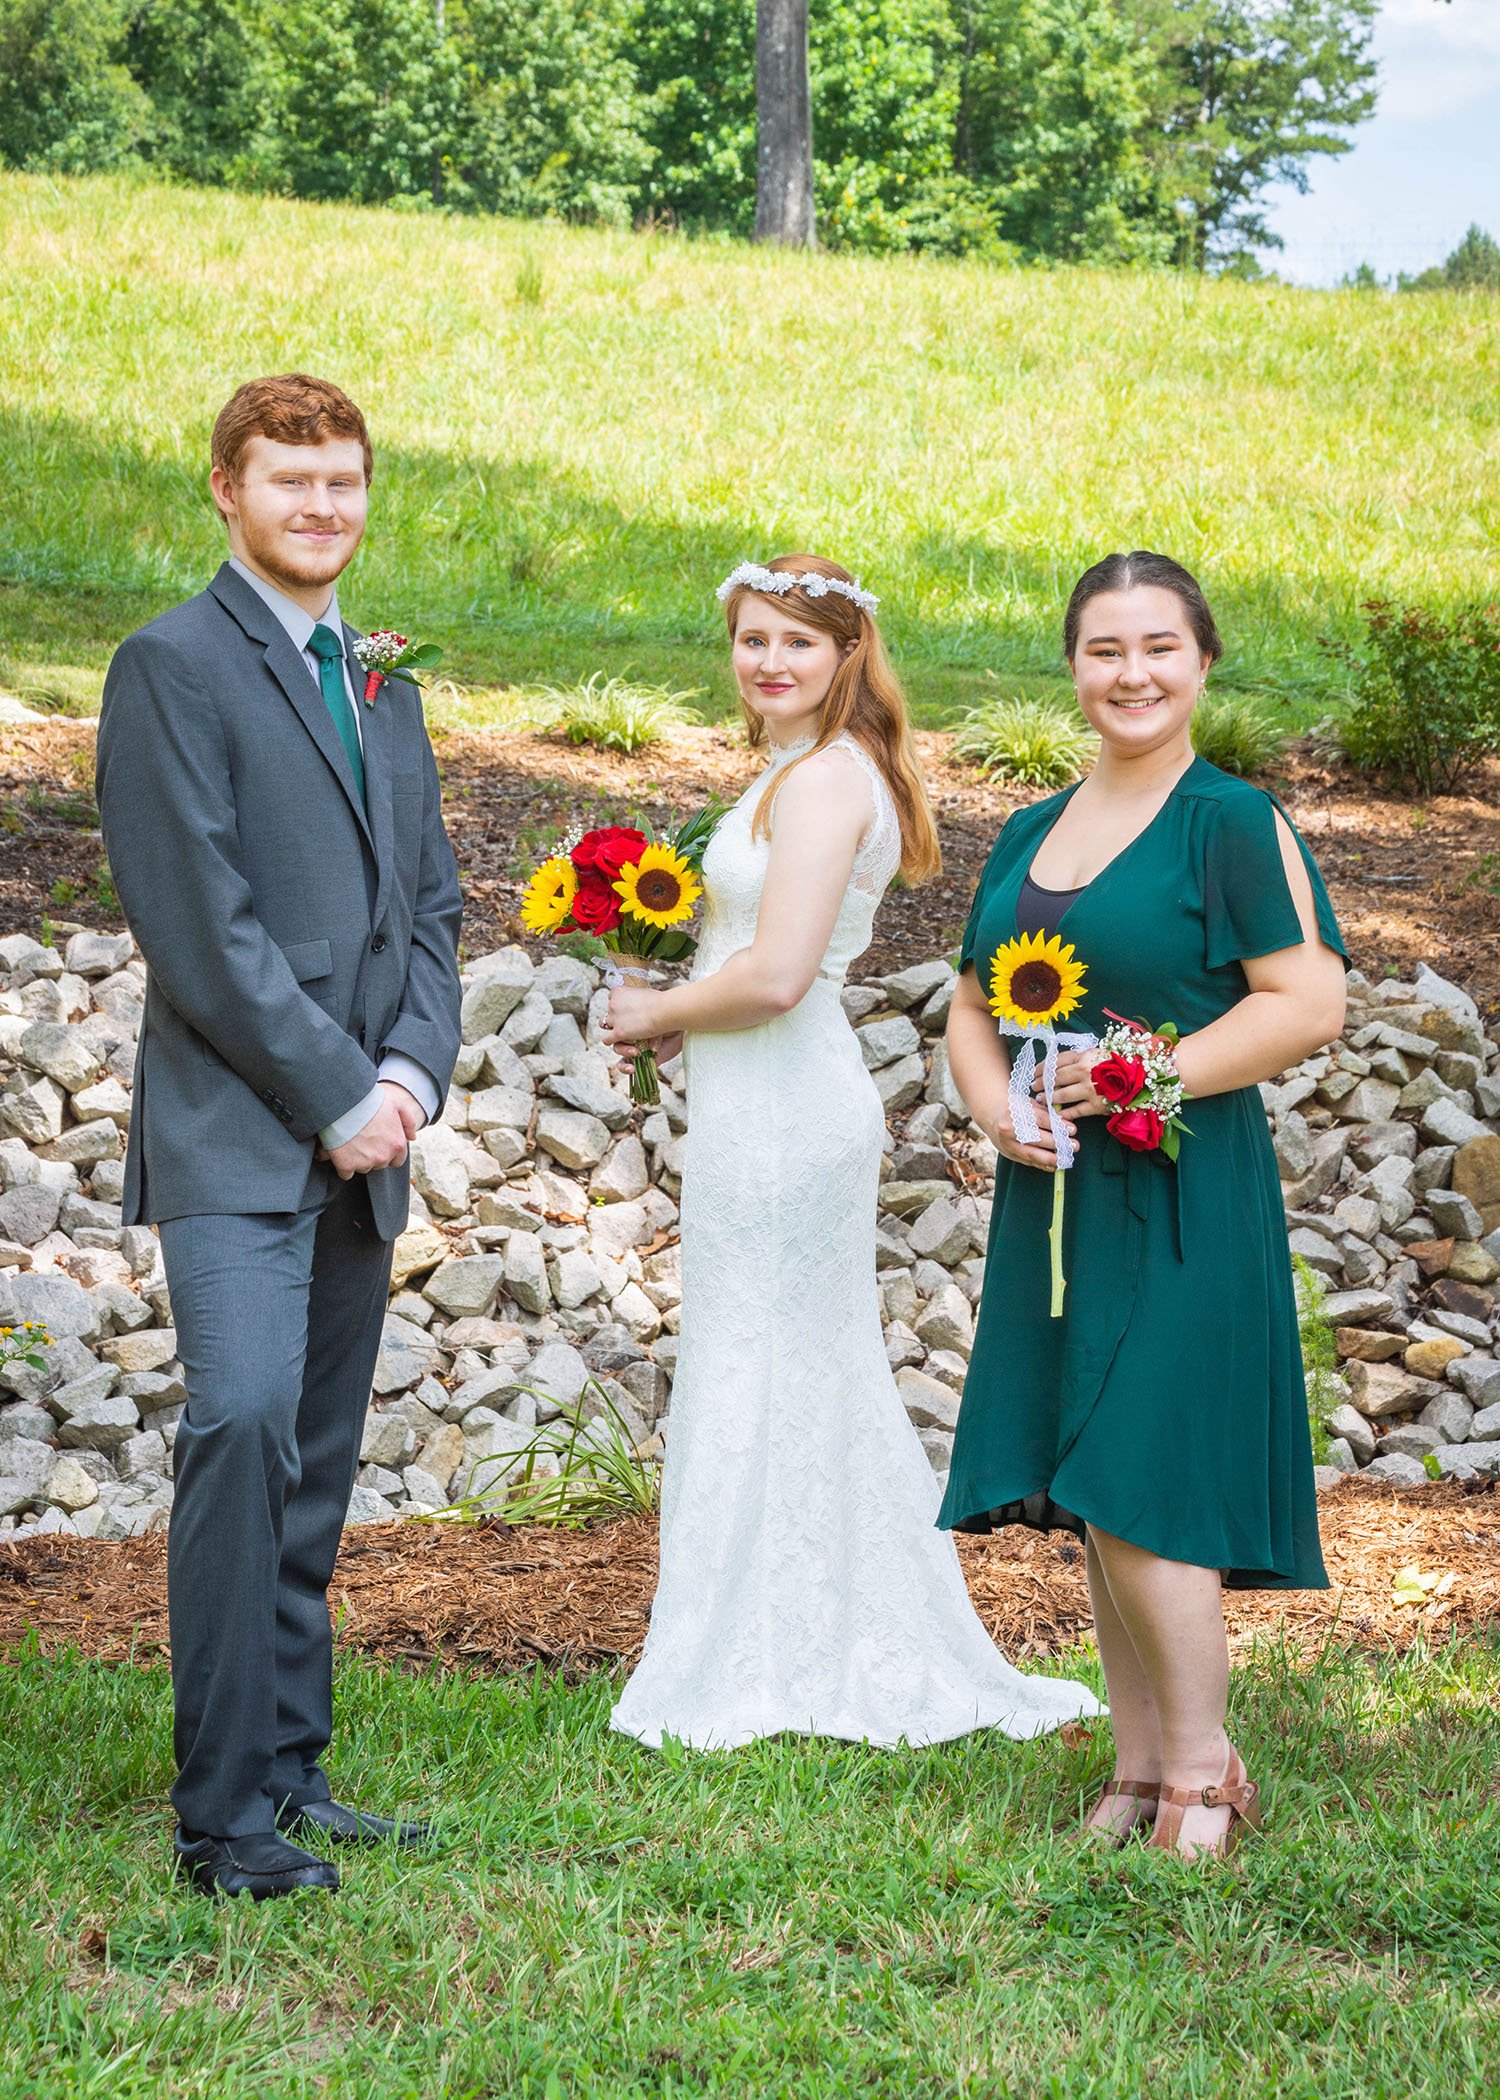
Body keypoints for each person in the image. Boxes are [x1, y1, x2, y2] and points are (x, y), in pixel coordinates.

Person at [601, 555, 1100, 1751]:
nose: (768, 661)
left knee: (778, 1357)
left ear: (847, 657)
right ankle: (773, 1629)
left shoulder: (826, 783)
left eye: (796, 643)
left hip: (787, 1106)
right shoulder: (791, 772)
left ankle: (791, 1649)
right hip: (753, 1097)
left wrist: (656, 1012)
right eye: (751, 639)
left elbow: (775, 979)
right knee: (764, 1356)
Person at [96, 373, 462, 1900]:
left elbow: (433, 909)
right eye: (292, 481)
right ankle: (221, 1815)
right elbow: (201, 928)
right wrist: (337, 1092)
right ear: (226, 492)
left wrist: (413, 1078)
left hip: (364, 1126)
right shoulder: (171, 666)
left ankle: (293, 1768)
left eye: (346, 482)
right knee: (241, 1425)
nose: (324, 508)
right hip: (243, 1129)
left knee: (312, 1458)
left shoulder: (385, 679)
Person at [938, 551, 1347, 1858]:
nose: (1131, 673)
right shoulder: (1025, 831)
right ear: (1073, 667)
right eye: (1105, 649)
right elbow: (969, 999)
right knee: (1092, 1485)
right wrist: (996, 1103)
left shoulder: (1231, 824)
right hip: (1053, 1201)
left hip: (1180, 1192)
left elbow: (1307, 1003)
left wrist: (1136, 1078)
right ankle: (1133, 1770)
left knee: (1145, 1483)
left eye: (1157, 647)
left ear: (1202, 661)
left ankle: (1203, 1781)